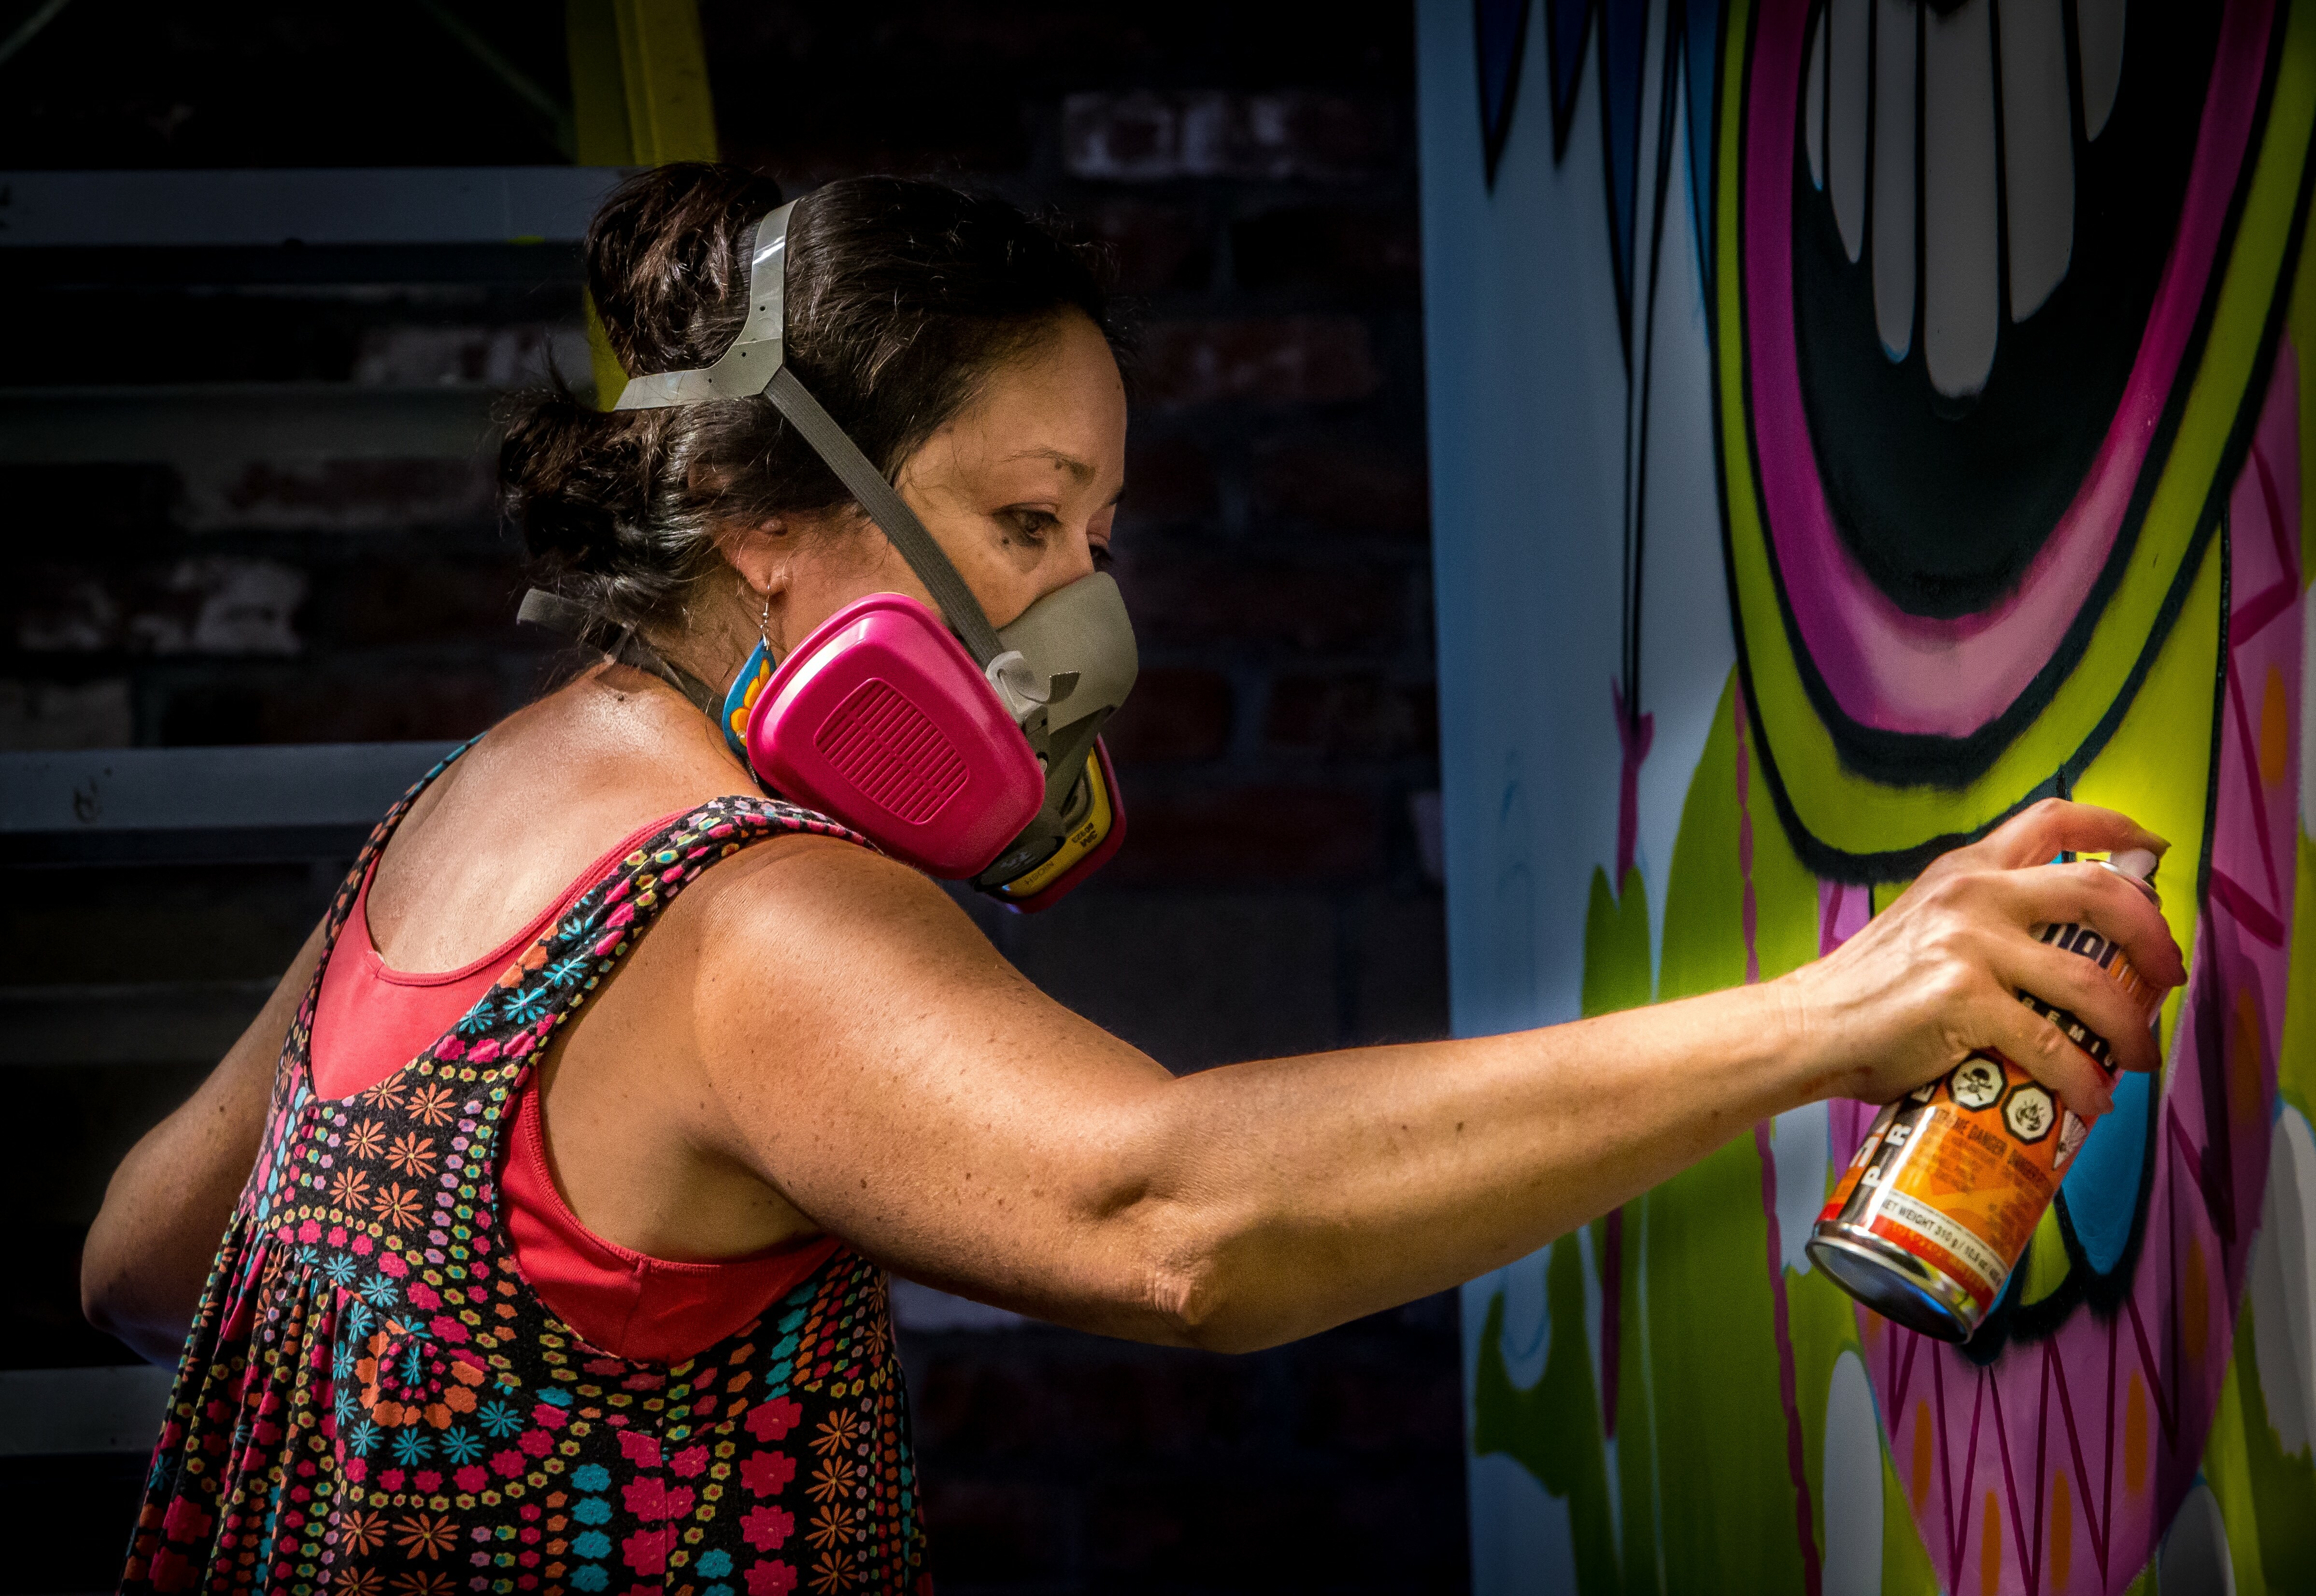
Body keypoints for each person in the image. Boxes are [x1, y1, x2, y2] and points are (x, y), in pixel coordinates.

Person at [82, 164, 2183, 1594]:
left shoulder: (483, 801)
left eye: (1094, 532)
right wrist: (1849, 1007)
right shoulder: (744, 907)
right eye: (1022, 521)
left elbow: (142, 1253)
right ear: (756, 520)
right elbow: (1180, 1221)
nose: (1081, 612)